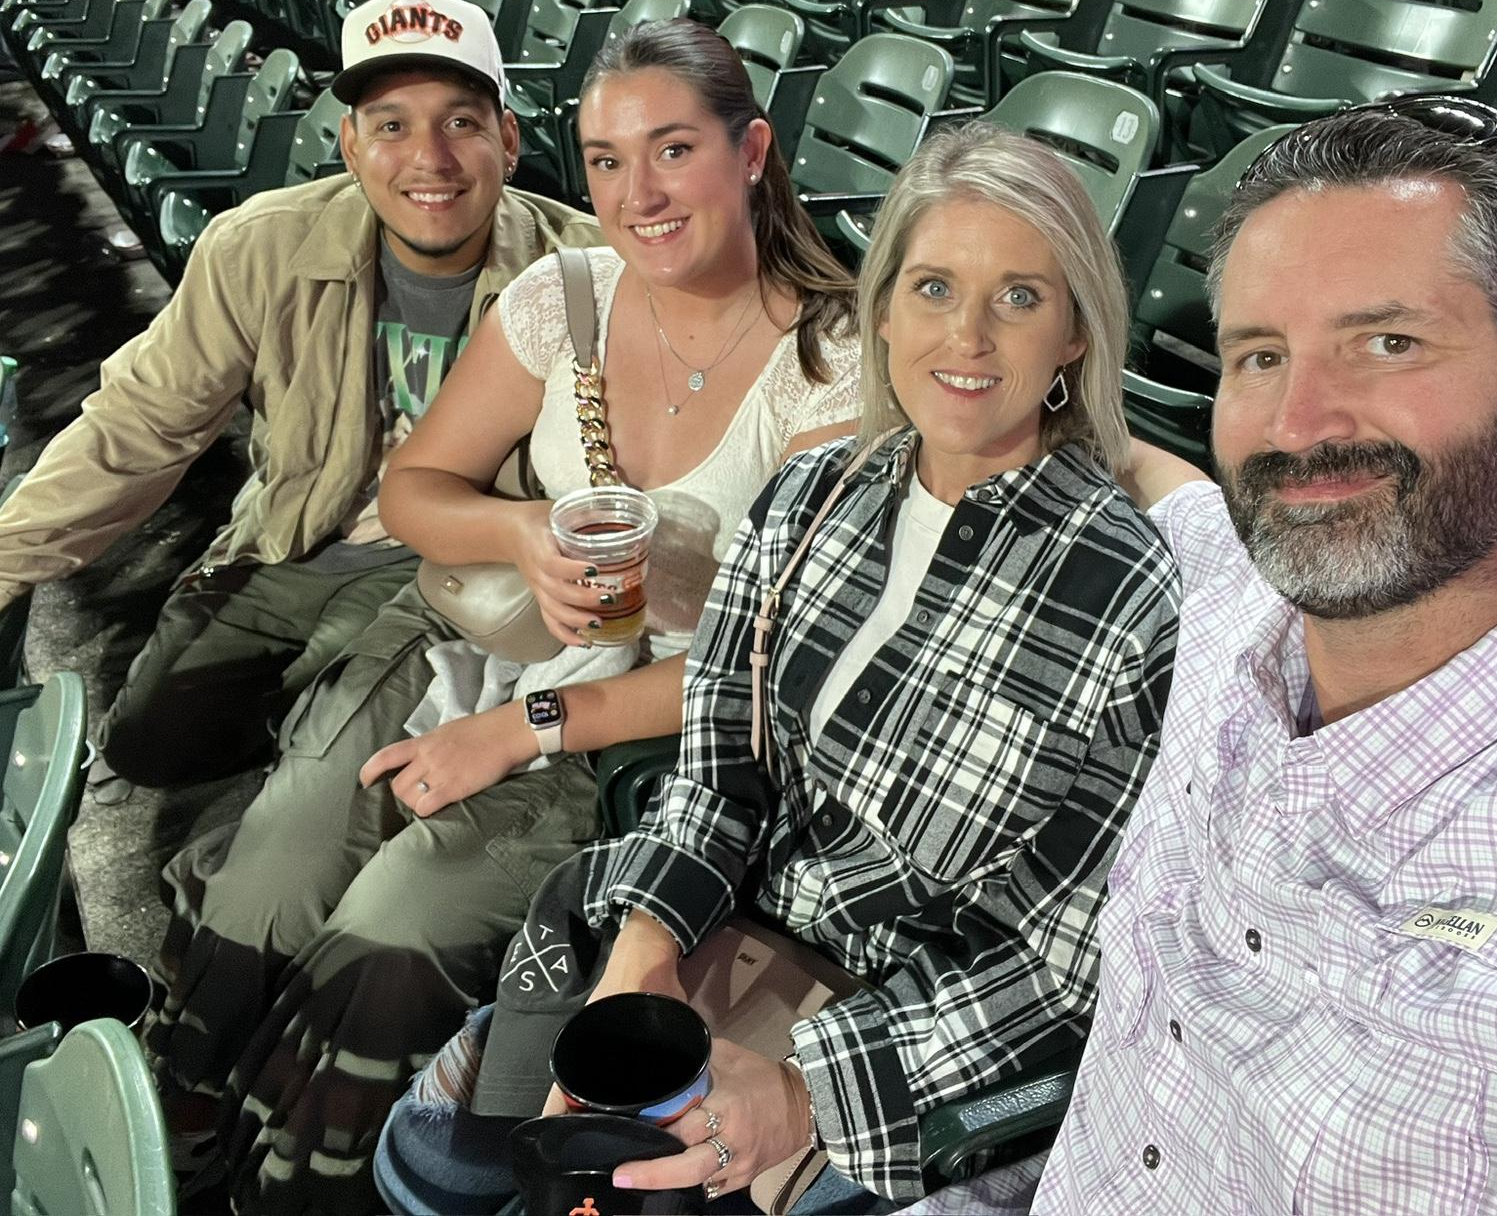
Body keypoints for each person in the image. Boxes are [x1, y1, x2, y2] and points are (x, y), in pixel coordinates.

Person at [374, 118, 1182, 1215]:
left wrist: (806, 1094)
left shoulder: (1130, 594)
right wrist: (646, 947)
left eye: (1020, 298)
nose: (969, 336)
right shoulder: (812, 495)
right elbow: (718, 770)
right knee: (434, 1166)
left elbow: (1060, 960)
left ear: (1076, 333)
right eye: (934, 289)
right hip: (719, 935)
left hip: (897, 1039)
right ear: (883, 310)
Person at [145, 17, 863, 1216]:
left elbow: (775, 663)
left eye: (673, 150)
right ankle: (184, 1117)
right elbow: (415, 490)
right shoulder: (564, 297)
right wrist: (522, 531)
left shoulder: (829, 365)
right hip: (491, 648)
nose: (637, 195)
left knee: (393, 922)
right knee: (278, 859)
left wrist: (521, 729)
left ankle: (299, 1182)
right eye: (606, 161)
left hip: (662, 732)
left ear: (751, 153)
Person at [931, 96, 1497, 1214]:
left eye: (1388, 343)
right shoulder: (1227, 593)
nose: (1298, 424)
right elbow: (1140, 464)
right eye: (1259, 356)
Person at [0, 0, 599, 804]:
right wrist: (6, 559)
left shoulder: (585, 271)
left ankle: (329, 755)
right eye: (391, 126)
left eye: (461, 122)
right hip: (296, 539)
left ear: (510, 137)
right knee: (150, 743)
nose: (430, 158)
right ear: (350, 146)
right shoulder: (259, 248)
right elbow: (135, 428)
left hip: (457, 568)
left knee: (330, 763)